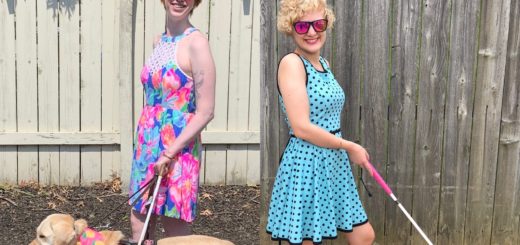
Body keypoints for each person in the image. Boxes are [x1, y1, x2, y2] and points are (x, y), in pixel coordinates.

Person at [266, 0, 375, 244]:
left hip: (333, 163)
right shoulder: (292, 64)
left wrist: (343, 149)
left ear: (327, 24)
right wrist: (350, 146)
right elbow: (302, 128)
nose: (312, 32)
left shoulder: (323, 64)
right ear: (290, 28)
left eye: (318, 24)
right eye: (303, 27)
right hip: (307, 163)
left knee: (364, 236)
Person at [128, 0, 215, 241]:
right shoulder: (159, 41)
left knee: (175, 234)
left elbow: (206, 112)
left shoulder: (197, 44)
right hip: (147, 145)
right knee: (139, 228)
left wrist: (169, 153)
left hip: (178, 151)